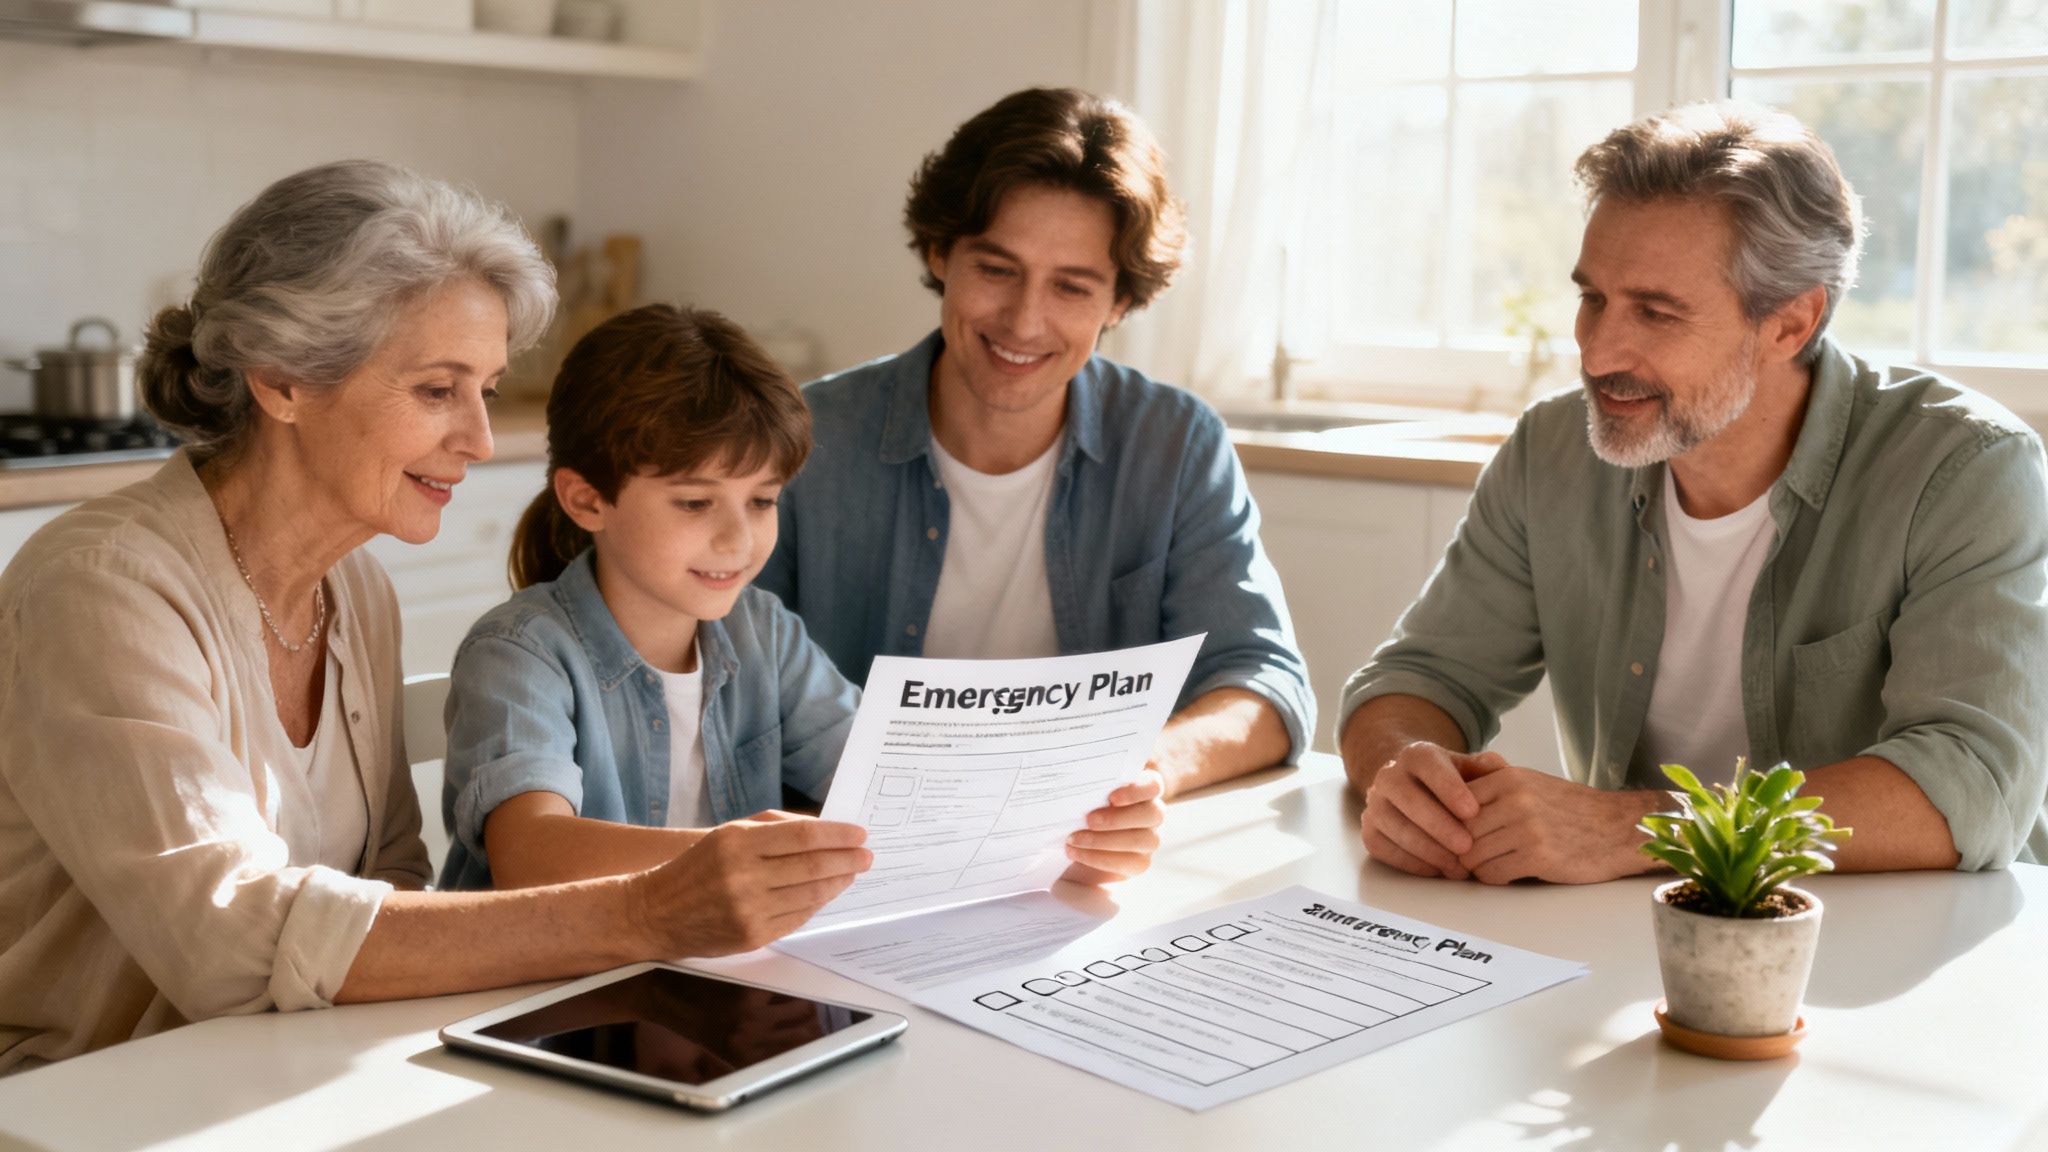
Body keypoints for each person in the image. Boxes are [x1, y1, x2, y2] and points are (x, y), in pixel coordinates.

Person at [0, 161, 867, 1073]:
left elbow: (391, 880)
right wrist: (646, 910)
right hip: (92, 1102)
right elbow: (233, 939)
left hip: (294, 1074)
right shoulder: (103, 588)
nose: (482, 442)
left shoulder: (355, 589)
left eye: (486, 390)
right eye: (435, 390)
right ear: (283, 380)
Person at [1341, 101, 2048, 885]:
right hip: (1636, 940)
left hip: (1906, 952)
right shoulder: (1551, 451)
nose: (1599, 349)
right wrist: (1407, 776)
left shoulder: (1966, 468)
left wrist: (1632, 829)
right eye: (1593, 298)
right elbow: (1412, 682)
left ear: (1790, 323)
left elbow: (1973, 783)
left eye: (1656, 311)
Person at [436, 302, 1167, 893]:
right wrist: (721, 859)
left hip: (710, 981)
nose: (737, 539)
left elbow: (895, 789)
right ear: (587, 500)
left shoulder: (762, 633)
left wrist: (1074, 837)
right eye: (694, 503)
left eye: (761, 501)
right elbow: (532, 855)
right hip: (539, 997)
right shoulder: (522, 653)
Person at [756, 87, 1314, 807]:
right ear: (939, 252)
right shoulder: (806, 439)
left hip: (1083, 852)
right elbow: (725, 684)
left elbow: (1265, 683)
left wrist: (1144, 771)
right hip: (846, 848)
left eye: (1072, 288)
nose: (1024, 321)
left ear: (1120, 301)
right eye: (996, 270)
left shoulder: (1176, 444)